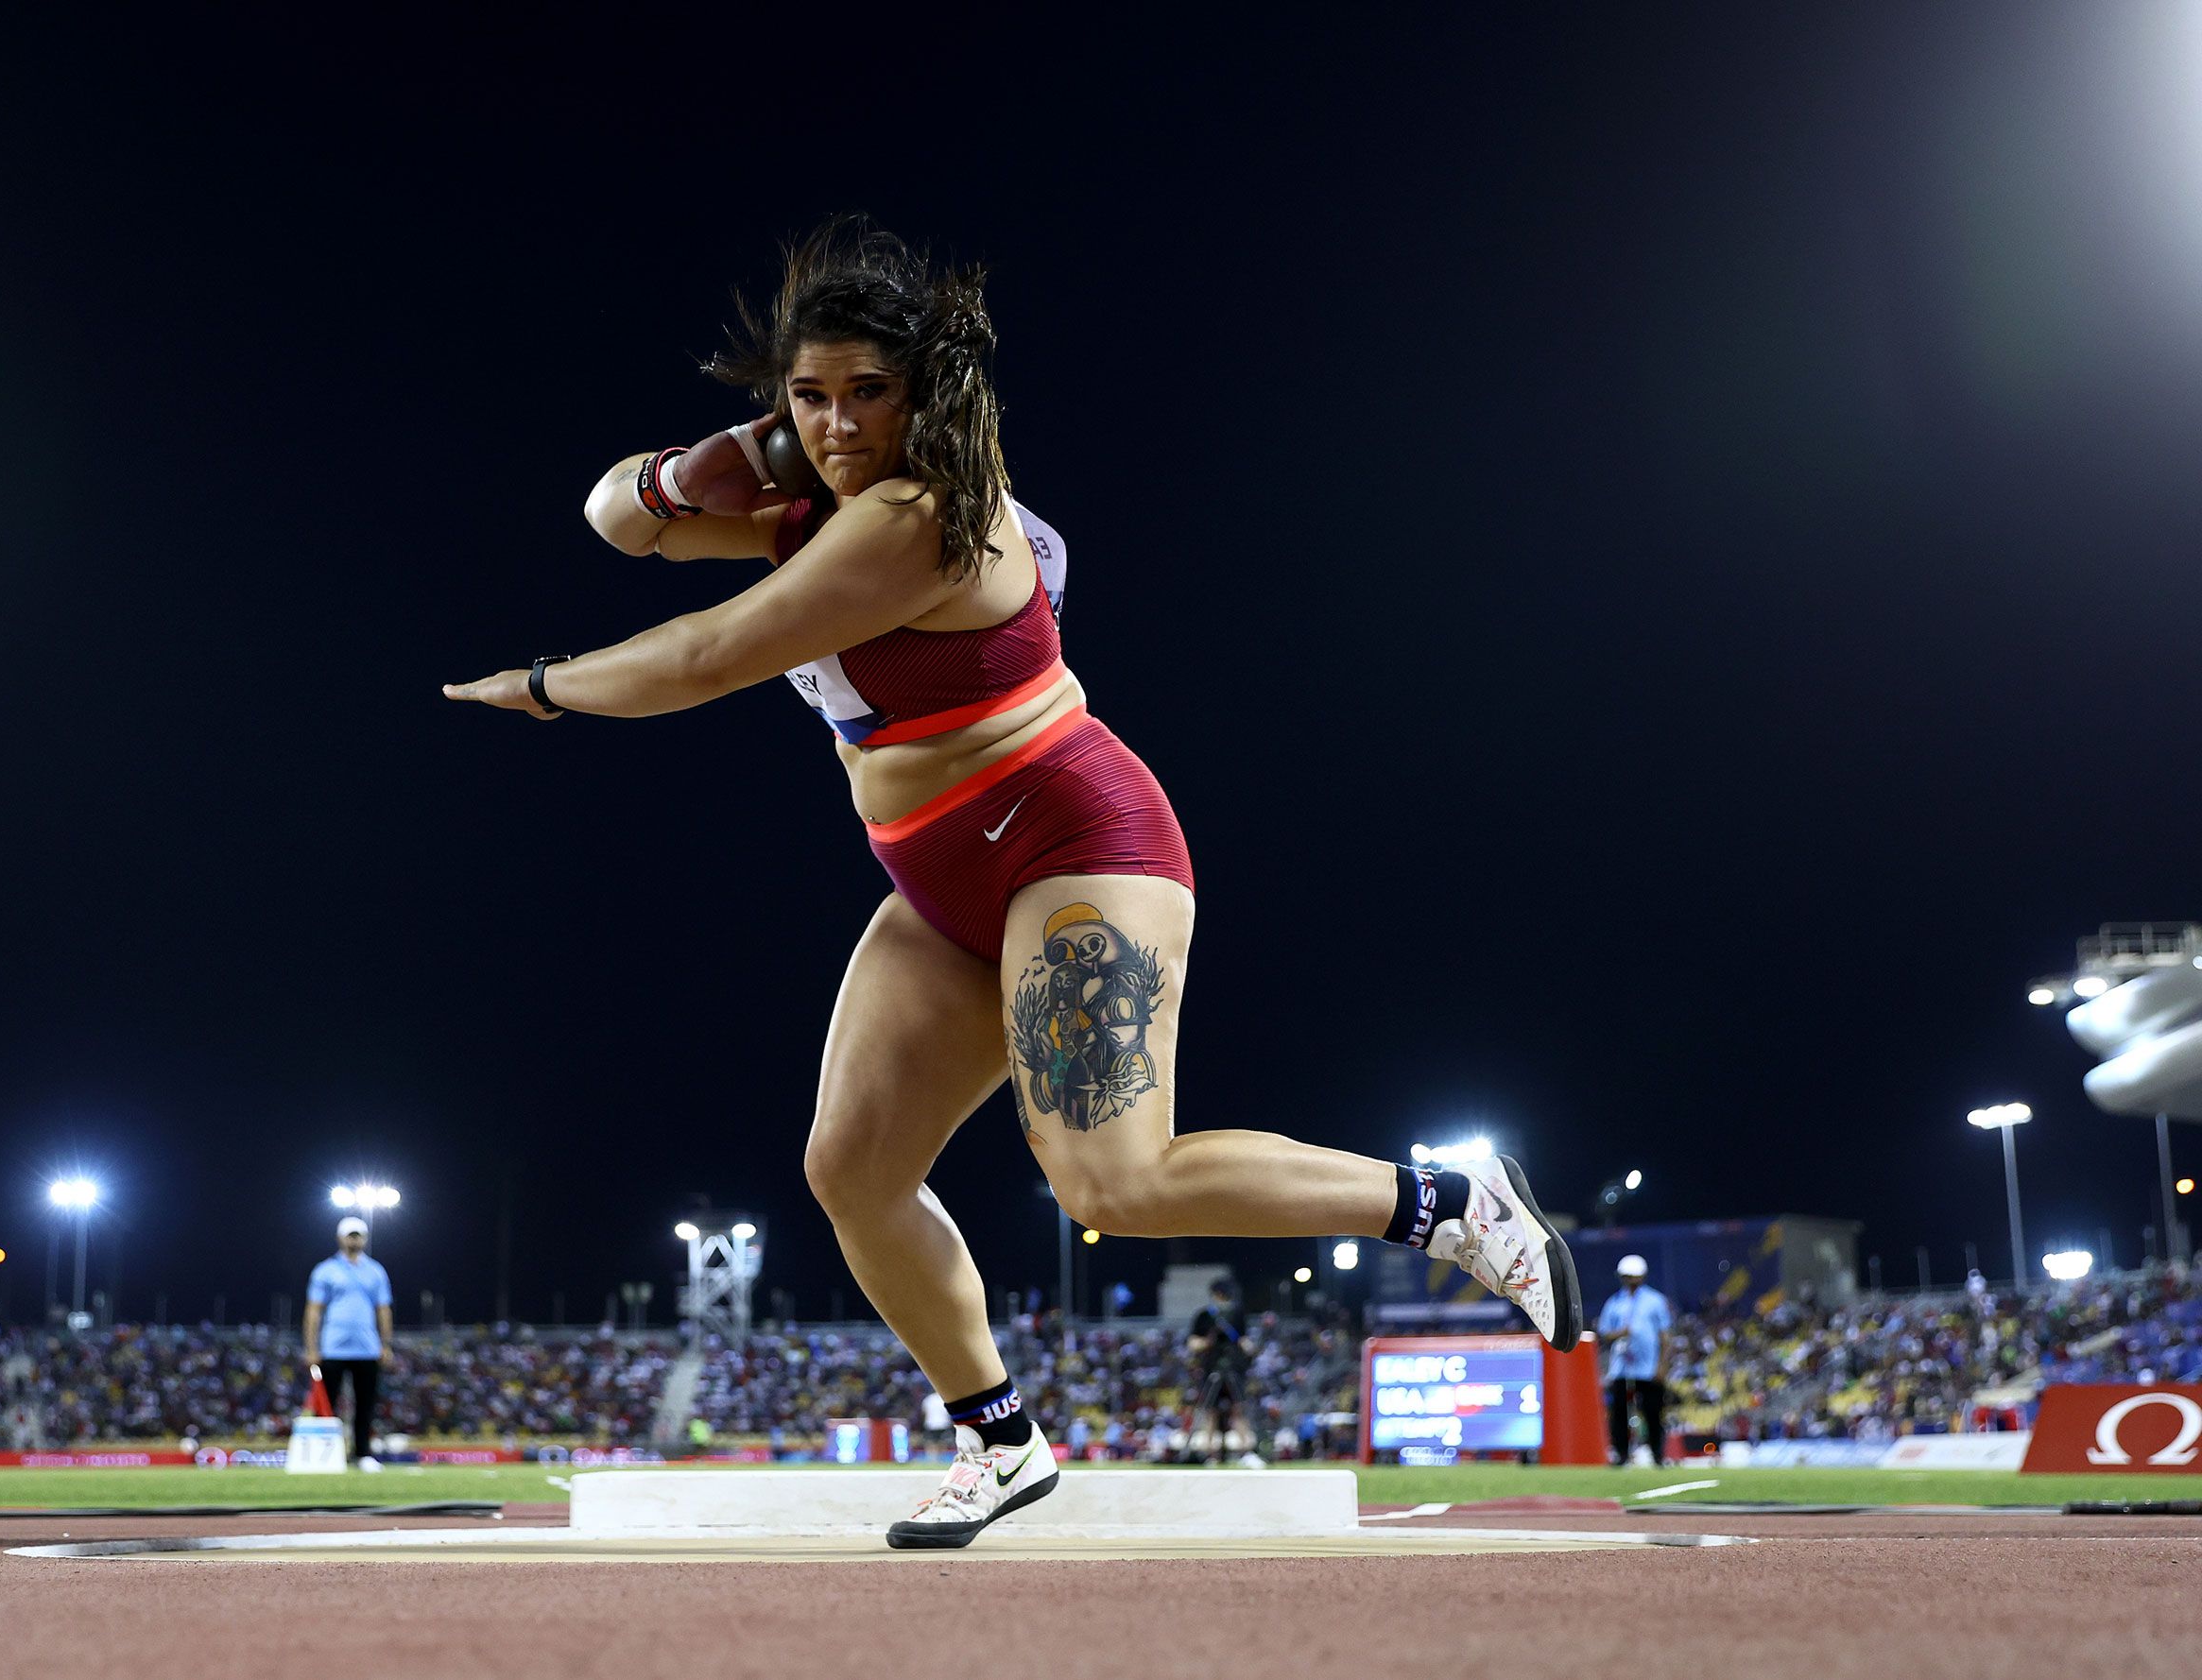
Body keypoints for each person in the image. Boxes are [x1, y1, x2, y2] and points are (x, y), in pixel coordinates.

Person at [445, 218, 1580, 1548]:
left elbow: (707, 654)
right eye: (810, 396)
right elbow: (617, 523)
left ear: (926, 391)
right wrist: (717, 458)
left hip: (1072, 843)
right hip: (937, 886)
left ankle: (1452, 1204)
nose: (839, 423)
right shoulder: (807, 498)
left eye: (868, 391)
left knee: (1114, 1182)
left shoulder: (923, 516)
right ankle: (1000, 1439)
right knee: (853, 1168)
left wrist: (538, 687)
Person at [301, 1217, 393, 1466]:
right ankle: (326, 1455)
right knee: (327, 1404)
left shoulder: (376, 1271)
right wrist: (311, 1347)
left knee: (366, 1404)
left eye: (358, 1235)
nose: (354, 1240)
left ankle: (362, 1453)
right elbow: (313, 1311)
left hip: (367, 1347)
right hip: (333, 1347)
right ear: (340, 1238)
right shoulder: (325, 1270)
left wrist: (385, 1344)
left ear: (364, 1239)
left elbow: (383, 1310)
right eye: (350, 1235)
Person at [1597, 1253, 1673, 1466]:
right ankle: (1620, 1455)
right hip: (1621, 1368)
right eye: (1627, 1276)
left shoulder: (1655, 1301)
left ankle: (1658, 1455)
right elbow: (1604, 1332)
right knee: (1619, 1413)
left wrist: (1662, 1366)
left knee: (1653, 1412)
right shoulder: (1614, 1302)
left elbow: (1665, 1336)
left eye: (1635, 1276)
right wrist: (1621, 1332)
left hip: (1648, 1367)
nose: (1631, 1281)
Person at [1185, 1277, 1250, 1464]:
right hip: (1211, 1368)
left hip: (1233, 1368)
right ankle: (1210, 1455)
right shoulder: (1205, 1316)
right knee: (1210, 1412)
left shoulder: (1236, 1315)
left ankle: (1246, 1453)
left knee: (1238, 1409)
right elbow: (1193, 1344)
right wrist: (1209, 1341)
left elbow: (1245, 1342)